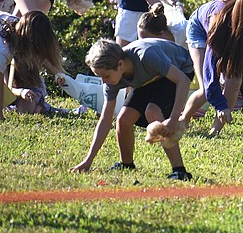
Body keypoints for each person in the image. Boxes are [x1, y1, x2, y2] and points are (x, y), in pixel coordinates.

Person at [72, 38, 194, 180]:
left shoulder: (147, 55)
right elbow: (105, 119)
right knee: (123, 119)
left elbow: (183, 80)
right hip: (152, 76)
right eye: (100, 77)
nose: (104, 82)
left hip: (180, 69)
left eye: (106, 76)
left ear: (120, 64)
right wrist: (88, 161)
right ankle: (126, 164)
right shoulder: (112, 79)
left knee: (152, 112)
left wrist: (173, 119)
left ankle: (180, 171)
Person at [179, 0, 243, 136]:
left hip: (233, 28)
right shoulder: (219, 22)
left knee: (234, 82)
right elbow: (210, 72)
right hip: (199, 28)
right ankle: (184, 118)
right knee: (205, 88)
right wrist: (220, 105)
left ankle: (215, 130)